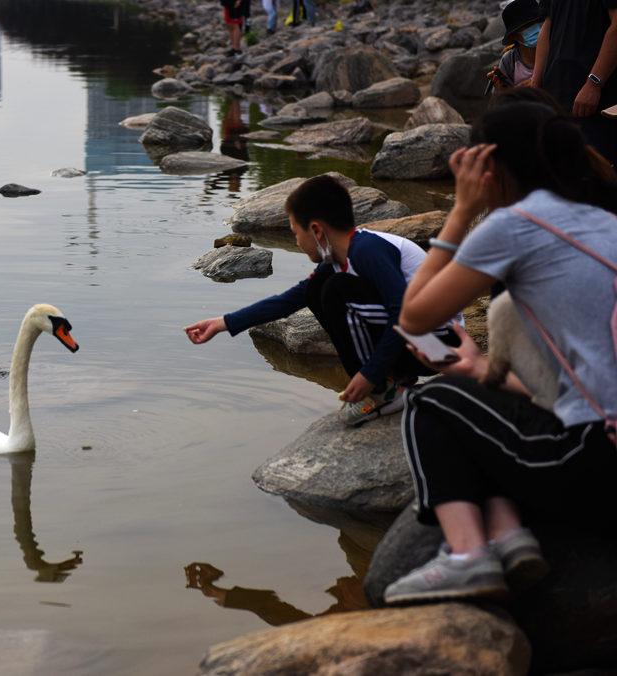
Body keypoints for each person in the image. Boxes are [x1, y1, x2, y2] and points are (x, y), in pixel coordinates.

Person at [383, 101, 617, 605]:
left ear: (487, 167)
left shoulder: (517, 223)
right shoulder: (603, 222)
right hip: (601, 443)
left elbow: (415, 317)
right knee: (480, 400)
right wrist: (479, 367)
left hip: (597, 466)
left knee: (434, 402)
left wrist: (463, 210)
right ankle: (510, 536)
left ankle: (468, 556)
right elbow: (580, 379)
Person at [184, 175, 460, 427]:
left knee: (334, 290)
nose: (298, 243)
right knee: (318, 288)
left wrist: (369, 375)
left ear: (316, 230)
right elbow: (289, 300)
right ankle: (392, 383)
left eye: (295, 233)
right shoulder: (341, 257)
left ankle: (382, 392)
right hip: (418, 343)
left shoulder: (368, 250)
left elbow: (402, 312)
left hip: (440, 345)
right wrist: (224, 323)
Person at [530, 0, 617, 165]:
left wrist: (594, 83)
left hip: (597, 100)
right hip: (556, 95)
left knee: (599, 170)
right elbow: (547, 27)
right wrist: (536, 82)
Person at [486, 0, 541, 93]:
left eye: (538, 22)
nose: (536, 28)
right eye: (527, 26)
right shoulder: (509, 60)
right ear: (514, 36)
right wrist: (503, 92)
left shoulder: (554, 51)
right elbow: (499, 100)